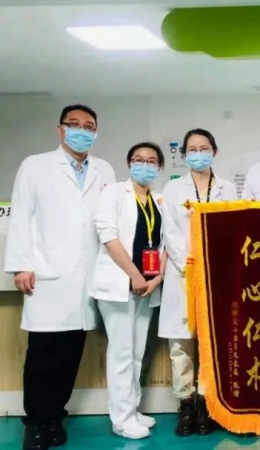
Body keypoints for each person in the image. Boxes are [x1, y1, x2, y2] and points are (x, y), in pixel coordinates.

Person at [4, 105, 116, 450]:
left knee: (71, 352)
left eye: (89, 126)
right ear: (60, 129)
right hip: (47, 274)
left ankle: (55, 417)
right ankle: (36, 423)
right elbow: (21, 216)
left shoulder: (104, 169)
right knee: (43, 353)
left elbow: (110, 220)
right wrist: (21, 265)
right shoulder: (35, 165)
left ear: (96, 132)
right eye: (74, 124)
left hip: (87, 277)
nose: (82, 130)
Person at [159, 129, 237, 436]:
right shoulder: (173, 188)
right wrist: (189, 264)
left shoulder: (228, 189)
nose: (198, 153)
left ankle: (205, 401)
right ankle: (185, 403)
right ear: (184, 154)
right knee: (181, 343)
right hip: (183, 274)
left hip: (216, 275)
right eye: (192, 149)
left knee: (210, 340)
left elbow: (232, 230)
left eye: (204, 148)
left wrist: (212, 265)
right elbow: (170, 232)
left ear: (214, 152)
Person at [90, 142, 167, 440]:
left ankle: (132, 410)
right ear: (129, 163)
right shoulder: (113, 193)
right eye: (138, 159)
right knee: (121, 353)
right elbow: (108, 236)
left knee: (136, 353)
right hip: (119, 285)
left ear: (159, 167)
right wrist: (134, 275)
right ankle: (121, 419)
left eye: (151, 161)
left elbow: (165, 243)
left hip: (146, 286)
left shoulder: (158, 200)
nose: (144, 165)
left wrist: (156, 278)